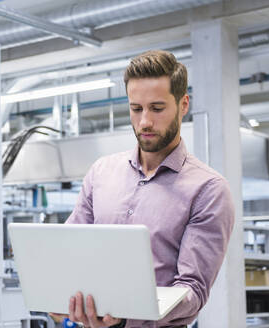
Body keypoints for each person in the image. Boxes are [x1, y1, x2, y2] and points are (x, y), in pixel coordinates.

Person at [52, 50, 235, 328]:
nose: (145, 122)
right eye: (136, 109)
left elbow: (192, 290)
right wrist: (57, 298)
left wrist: (126, 315)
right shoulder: (101, 173)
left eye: (157, 108)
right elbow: (68, 252)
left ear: (183, 105)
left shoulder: (208, 190)